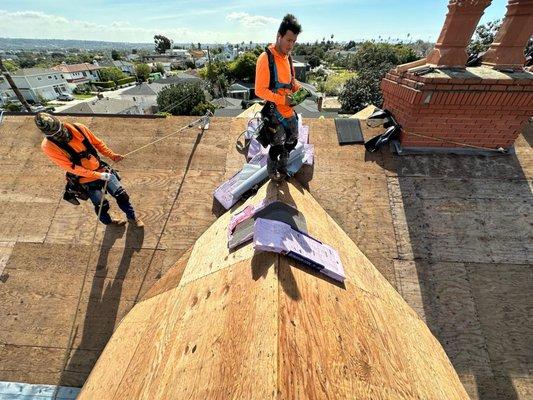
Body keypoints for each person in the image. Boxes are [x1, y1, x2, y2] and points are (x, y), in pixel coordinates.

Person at [35, 112, 144, 227]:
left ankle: (132, 218)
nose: (60, 134)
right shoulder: (49, 146)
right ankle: (109, 222)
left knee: (122, 195)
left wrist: (112, 155)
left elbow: (97, 143)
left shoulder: (79, 128)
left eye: (59, 130)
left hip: (100, 168)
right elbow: (72, 168)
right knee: (102, 204)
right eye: (55, 134)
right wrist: (98, 176)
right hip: (85, 178)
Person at [255, 14, 304, 181]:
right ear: (279, 36)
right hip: (275, 111)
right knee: (277, 145)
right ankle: (272, 173)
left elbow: (290, 81)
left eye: (294, 41)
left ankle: (283, 169)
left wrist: (298, 88)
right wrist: (283, 100)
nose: (291, 45)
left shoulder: (288, 58)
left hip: (289, 110)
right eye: (288, 40)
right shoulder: (266, 58)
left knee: (292, 142)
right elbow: (259, 91)